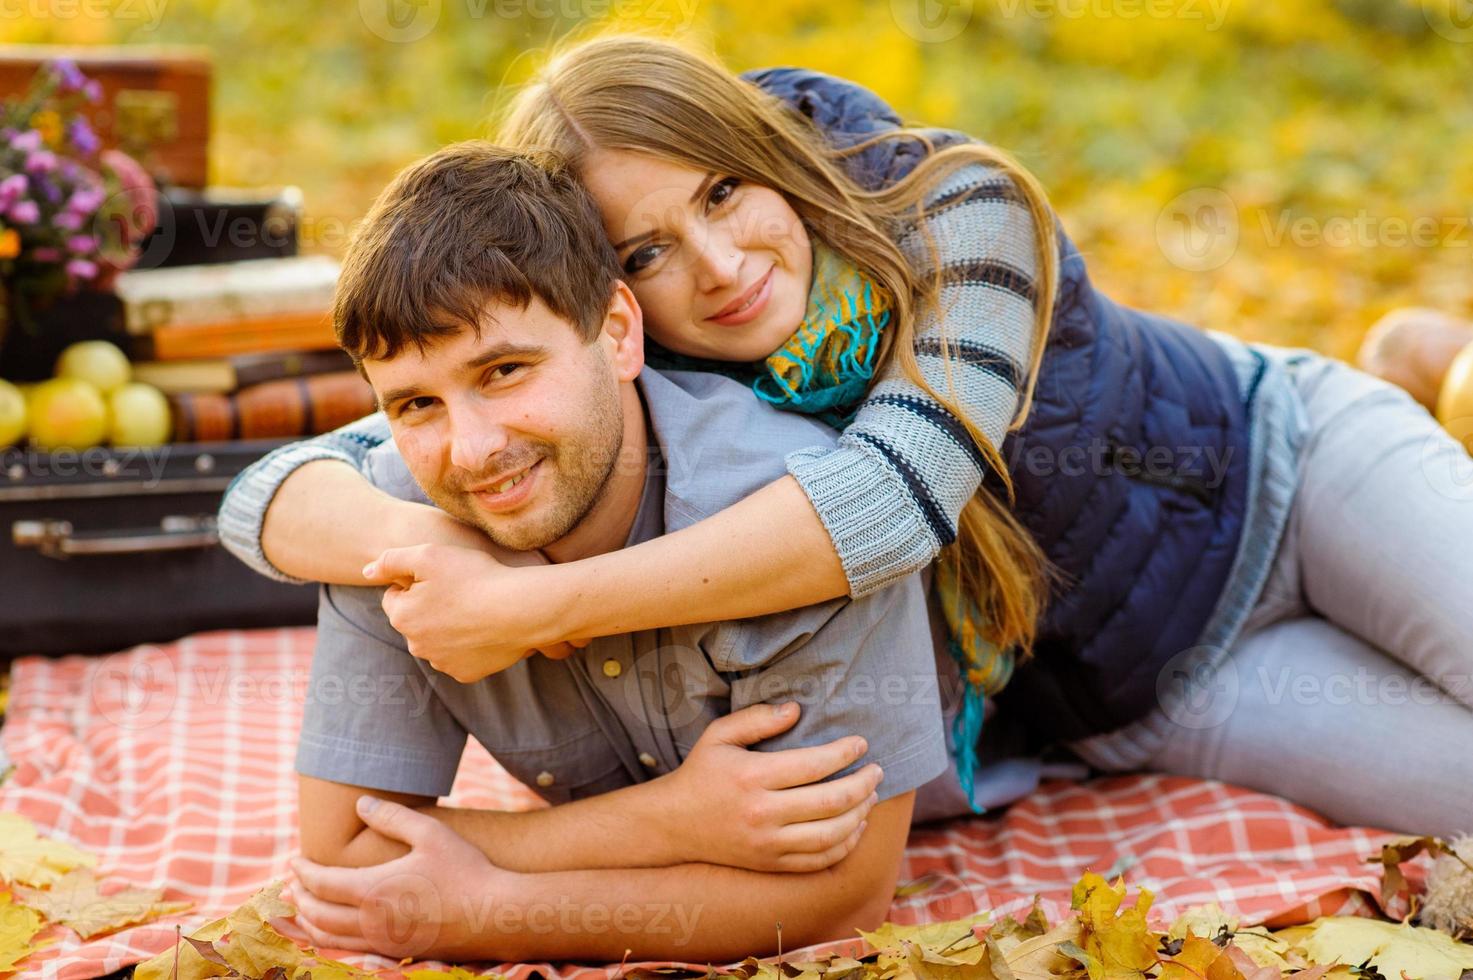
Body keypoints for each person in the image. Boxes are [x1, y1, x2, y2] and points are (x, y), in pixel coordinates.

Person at [222, 36, 1473, 842]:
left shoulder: (953, 210)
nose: (718, 267)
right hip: (1151, 678)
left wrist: (533, 607)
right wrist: (408, 534)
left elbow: (894, 499)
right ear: (608, 309)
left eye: (723, 193)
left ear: (771, 156)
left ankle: (1417, 376)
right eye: (649, 252)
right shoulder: (632, 383)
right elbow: (283, 483)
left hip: (1289, 466)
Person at [278, 143, 955, 961]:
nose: (470, 450)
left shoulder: (788, 515)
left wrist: (484, 911)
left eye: (503, 371)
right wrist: (661, 820)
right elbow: (346, 856)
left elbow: (837, 893)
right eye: (417, 403)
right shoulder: (394, 528)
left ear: (618, 332)